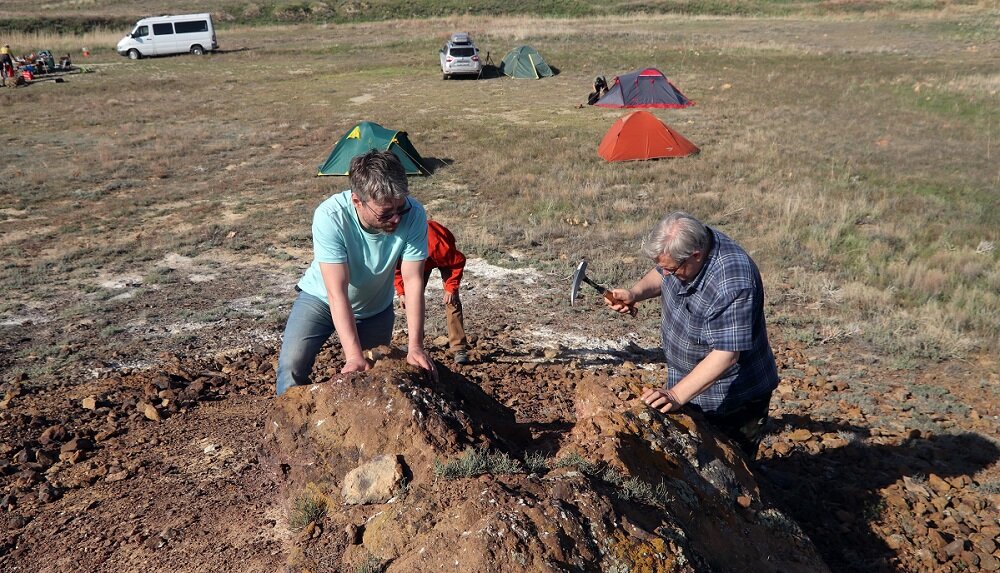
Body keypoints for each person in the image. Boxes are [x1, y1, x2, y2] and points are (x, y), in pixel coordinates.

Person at [606, 211, 779, 457]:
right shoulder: (690, 246)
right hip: (688, 381)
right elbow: (662, 272)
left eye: (671, 270)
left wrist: (676, 395)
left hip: (732, 397)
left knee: (732, 465)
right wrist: (635, 293)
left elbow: (725, 355)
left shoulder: (732, 282)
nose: (665, 275)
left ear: (695, 256)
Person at [275, 150, 436, 396]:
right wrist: (353, 356)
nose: (395, 219)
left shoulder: (413, 213)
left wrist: (415, 346)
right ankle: (286, 427)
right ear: (357, 201)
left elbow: (413, 280)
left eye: (399, 208)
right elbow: (336, 291)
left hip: (375, 308)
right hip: (321, 300)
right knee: (291, 365)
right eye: (384, 213)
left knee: (375, 378)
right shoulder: (330, 217)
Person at [394, 220, 470, 365]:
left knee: (451, 300)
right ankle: (415, 343)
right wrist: (401, 292)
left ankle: (458, 347)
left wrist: (451, 288)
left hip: (443, 257)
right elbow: (397, 269)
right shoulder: (397, 247)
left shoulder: (438, 247)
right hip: (419, 258)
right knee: (411, 300)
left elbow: (458, 262)